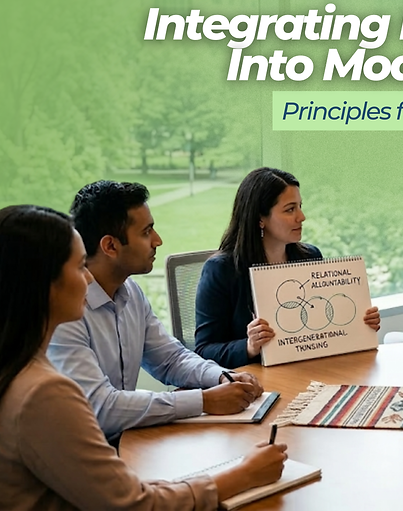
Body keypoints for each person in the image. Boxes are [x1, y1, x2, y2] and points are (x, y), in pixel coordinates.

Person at [0, 204, 287, 510]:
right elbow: (133, 504)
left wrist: (220, 377)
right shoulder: (43, 391)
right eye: (79, 266)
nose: (87, 279)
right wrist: (242, 474)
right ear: (42, 284)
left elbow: (170, 358)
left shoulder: (20, 366)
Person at [47, 181, 263, 445]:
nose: (158, 240)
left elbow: (170, 359)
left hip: (127, 440)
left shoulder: (131, 292)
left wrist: (221, 376)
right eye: (146, 231)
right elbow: (100, 408)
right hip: (82, 452)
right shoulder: (66, 313)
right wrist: (204, 400)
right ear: (110, 246)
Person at [195, 167, 381, 368]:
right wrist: (248, 347)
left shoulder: (310, 257)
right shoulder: (221, 270)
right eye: (290, 209)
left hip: (310, 372)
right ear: (260, 219)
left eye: (300, 206)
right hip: (255, 382)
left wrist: (359, 323)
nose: (301, 217)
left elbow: (322, 326)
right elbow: (204, 351)